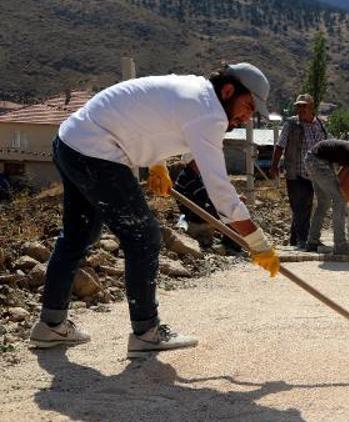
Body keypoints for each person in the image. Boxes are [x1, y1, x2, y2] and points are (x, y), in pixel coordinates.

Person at [30, 63, 280, 359]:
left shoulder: (196, 91)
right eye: (248, 106)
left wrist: (158, 162)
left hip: (71, 141)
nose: (248, 117)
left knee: (78, 235)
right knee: (144, 237)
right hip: (97, 151)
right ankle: (147, 332)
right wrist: (257, 242)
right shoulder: (210, 114)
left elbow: (155, 117)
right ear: (228, 91)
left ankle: (51, 325)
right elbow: (220, 191)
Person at [269, 94, 328, 249]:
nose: (300, 109)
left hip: (313, 174)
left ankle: (296, 239)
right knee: (299, 206)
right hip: (295, 172)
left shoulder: (319, 125)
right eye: (298, 106)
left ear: (311, 107)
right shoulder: (291, 124)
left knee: (307, 206)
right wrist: (274, 165)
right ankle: (305, 240)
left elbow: (325, 148)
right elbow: (280, 145)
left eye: (303, 106)